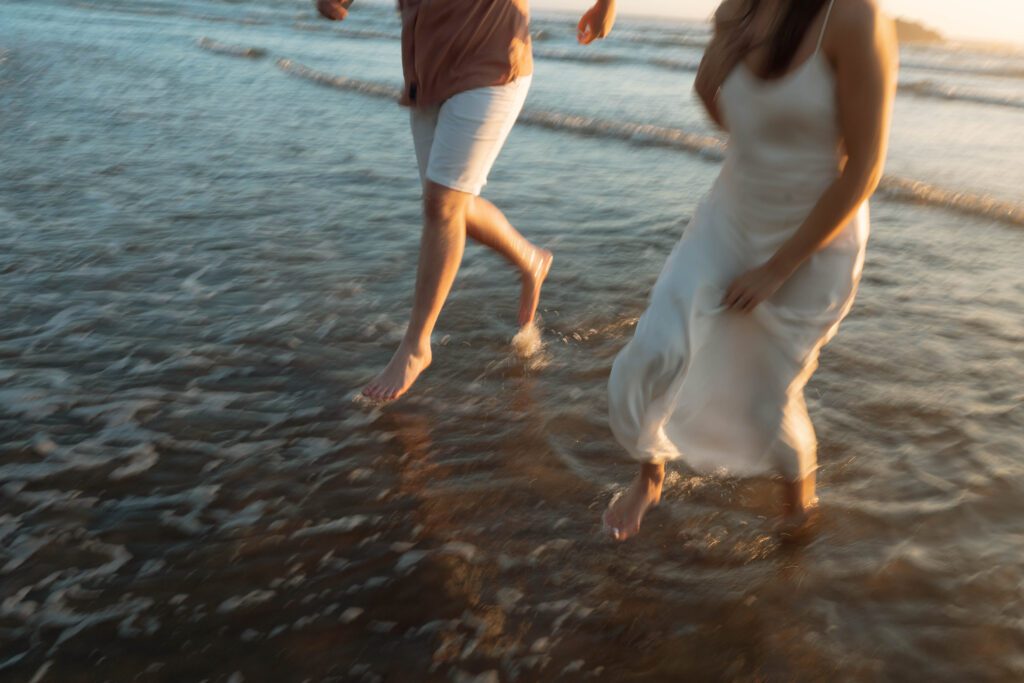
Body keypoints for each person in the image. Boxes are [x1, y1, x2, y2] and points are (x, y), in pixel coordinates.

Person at [602, 0, 898, 540]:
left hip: (813, 246)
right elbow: (730, 114)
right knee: (653, 352)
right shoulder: (741, 8)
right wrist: (711, 73)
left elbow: (864, 169)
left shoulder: (855, 17)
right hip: (730, 221)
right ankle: (650, 474)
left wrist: (777, 269)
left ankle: (797, 516)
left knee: (769, 398)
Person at [316, 0, 618, 402]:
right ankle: (530, 259)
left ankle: (416, 345)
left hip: (491, 59)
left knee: (443, 205)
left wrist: (605, 6)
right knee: (449, 203)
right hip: (428, 63)